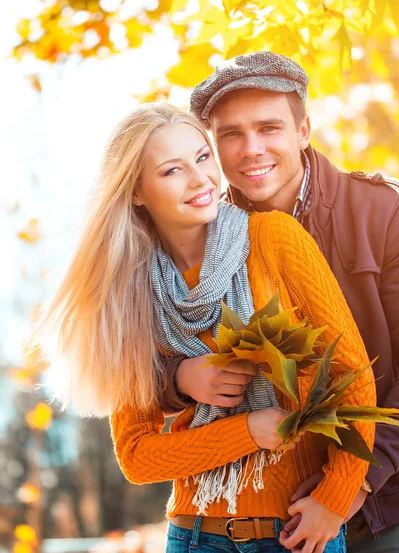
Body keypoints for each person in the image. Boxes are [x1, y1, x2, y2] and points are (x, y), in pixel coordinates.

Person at [33, 103, 378, 553]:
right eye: (172, 170)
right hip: (193, 535)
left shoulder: (274, 239)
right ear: (136, 192)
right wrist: (249, 428)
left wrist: (334, 500)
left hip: (294, 531)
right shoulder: (133, 293)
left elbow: (353, 377)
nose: (200, 180)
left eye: (202, 157)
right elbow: (137, 457)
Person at [160, 52, 399, 553]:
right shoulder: (203, 234)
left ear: (304, 130)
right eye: (230, 134)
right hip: (270, 512)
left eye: (269, 128)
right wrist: (178, 379)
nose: (251, 149)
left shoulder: (382, 213)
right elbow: (159, 347)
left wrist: (351, 488)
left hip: (386, 497)